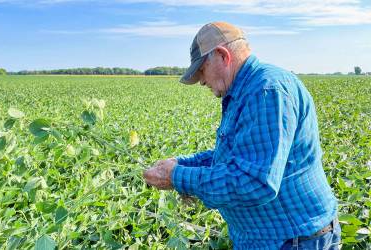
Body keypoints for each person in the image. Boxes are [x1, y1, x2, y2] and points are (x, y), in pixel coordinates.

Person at [143, 21, 340, 249]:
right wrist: (181, 164)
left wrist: (177, 177)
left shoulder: (266, 91)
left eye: (201, 70)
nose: (201, 81)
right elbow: (236, 156)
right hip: (272, 239)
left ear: (222, 55)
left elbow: (255, 182)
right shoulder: (246, 89)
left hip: (292, 241)